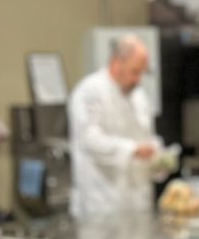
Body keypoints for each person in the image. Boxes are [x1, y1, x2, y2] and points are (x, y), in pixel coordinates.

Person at [67, 34, 163, 217]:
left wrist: (157, 159)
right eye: (135, 71)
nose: (138, 79)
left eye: (142, 72)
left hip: (138, 201)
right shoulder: (90, 91)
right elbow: (90, 140)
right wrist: (133, 150)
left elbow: (145, 136)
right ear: (117, 63)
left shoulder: (139, 96)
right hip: (102, 201)